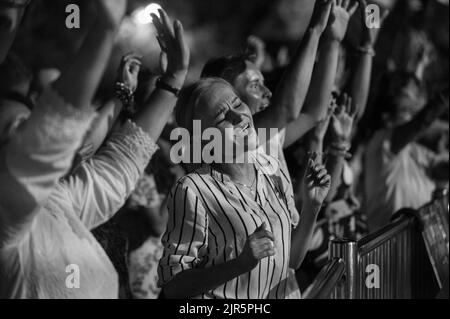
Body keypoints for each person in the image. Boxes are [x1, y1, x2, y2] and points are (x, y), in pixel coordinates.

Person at [0, 6, 190, 298]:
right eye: (15, 127)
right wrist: (103, 31)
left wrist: (172, 81)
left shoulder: (56, 200)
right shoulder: (6, 220)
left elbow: (122, 161)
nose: (27, 130)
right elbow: (46, 146)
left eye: (28, 122)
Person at [157, 78, 331, 299]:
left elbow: (292, 260)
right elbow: (174, 287)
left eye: (237, 104)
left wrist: (312, 206)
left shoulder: (271, 168)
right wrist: (239, 265)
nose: (238, 117)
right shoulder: (193, 189)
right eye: (222, 117)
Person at [364, 72, 449, 231]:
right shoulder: (381, 142)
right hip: (390, 252)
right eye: (409, 99)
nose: (415, 104)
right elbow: (422, 122)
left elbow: (441, 170)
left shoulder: (416, 150)